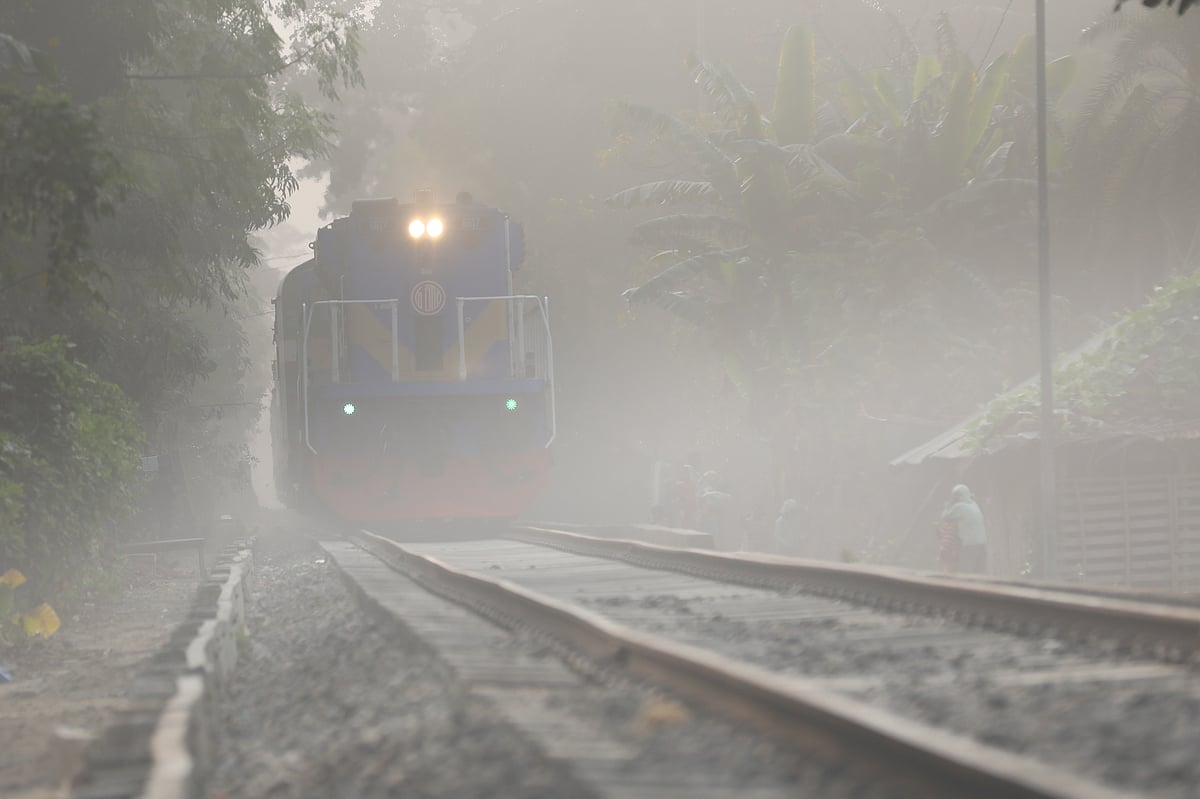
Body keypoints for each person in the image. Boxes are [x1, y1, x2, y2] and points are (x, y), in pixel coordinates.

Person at [940, 484, 987, 574]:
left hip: (969, 545)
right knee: (978, 574)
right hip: (982, 545)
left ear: (956, 496)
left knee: (965, 575)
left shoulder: (959, 507)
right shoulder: (974, 504)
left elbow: (944, 517)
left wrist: (947, 506)